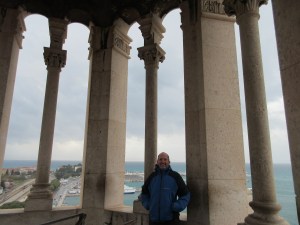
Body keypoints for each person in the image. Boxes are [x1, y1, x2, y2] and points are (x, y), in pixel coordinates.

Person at [140, 152, 190, 225]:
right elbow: (144, 193)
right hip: (153, 220)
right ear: (157, 162)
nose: (162, 161)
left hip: (171, 220)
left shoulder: (175, 176)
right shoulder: (152, 177)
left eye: (165, 159)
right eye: (160, 159)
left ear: (169, 162)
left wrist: (176, 206)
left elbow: (186, 195)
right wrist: (148, 205)